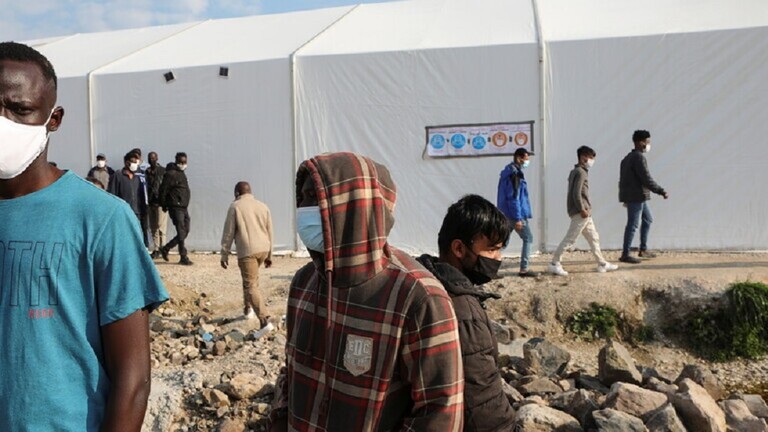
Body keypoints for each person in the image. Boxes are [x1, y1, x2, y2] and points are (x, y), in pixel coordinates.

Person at [0, 41, 168, 431]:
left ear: (53, 118)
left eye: (20, 110)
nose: (3, 122)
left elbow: (133, 380)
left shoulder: (102, 218)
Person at [270, 152, 464, 432]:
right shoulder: (304, 282)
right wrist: (280, 417)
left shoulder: (418, 297)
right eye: (302, 198)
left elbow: (440, 413)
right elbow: (291, 371)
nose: (304, 209)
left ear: (355, 206)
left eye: (315, 198)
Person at [416, 194, 515, 432]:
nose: (498, 258)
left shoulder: (425, 281)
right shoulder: (463, 310)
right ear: (459, 248)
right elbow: (481, 399)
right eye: (492, 249)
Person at [548, 146, 619, 276]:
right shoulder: (581, 172)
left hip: (585, 212)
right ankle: (554, 263)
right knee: (570, 239)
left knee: (593, 238)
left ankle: (602, 263)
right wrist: (582, 209)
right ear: (583, 157)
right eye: (590, 157)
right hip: (581, 212)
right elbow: (576, 193)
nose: (591, 160)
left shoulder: (576, 171)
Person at [220, 181, 274, 325]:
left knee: (251, 285)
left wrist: (224, 253)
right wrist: (270, 255)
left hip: (247, 250)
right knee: (251, 280)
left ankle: (264, 318)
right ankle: (248, 309)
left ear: (237, 193)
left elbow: (228, 232)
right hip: (263, 249)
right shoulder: (263, 206)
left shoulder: (235, 206)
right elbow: (270, 231)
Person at [619, 130, 669, 264]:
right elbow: (646, 178)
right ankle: (625, 254)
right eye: (647, 142)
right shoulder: (638, 158)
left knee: (647, 219)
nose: (648, 145)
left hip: (636, 196)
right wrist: (661, 191)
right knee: (633, 224)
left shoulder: (627, 158)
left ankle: (643, 249)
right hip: (636, 196)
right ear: (640, 142)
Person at [497, 147, 539, 277]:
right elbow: (514, 198)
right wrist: (518, 218)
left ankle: (489, 268)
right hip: (514, 214)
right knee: (528, 238)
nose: (527, 161)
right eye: (526, 159)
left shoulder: (507, 172)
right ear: (519, 158)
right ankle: (524, 269)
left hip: (505, 213)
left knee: (503, 242)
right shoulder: (515, 175)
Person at [159, 152, 192, 265]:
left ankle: (166, 248)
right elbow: (163, 190)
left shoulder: (182, 174)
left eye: (184, 162)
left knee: (186, 230)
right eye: (180, 162)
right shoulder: (171, 174)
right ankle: (183, 256)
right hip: (176, 207)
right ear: (176, 161)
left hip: (183, 207)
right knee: (181, 231)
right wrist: (163, 204)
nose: (183, 164)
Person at [107, 151, 147, 225]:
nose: (135, 164)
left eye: (136, 162)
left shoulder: (139, 176)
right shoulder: (118, 175)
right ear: (127, 163)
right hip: (123, 212)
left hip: (137, 212)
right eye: (133, 162)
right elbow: (112, 194)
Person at [146, 151, 167, 259]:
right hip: (151, 203)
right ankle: (156, 249)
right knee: (153, 227)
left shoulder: (163, 171)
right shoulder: (147, 172)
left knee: (161, 227)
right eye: (150, 158)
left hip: (161, 203)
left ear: (157, 158)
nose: (152, 160)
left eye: (153, 158)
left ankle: (163, 248)